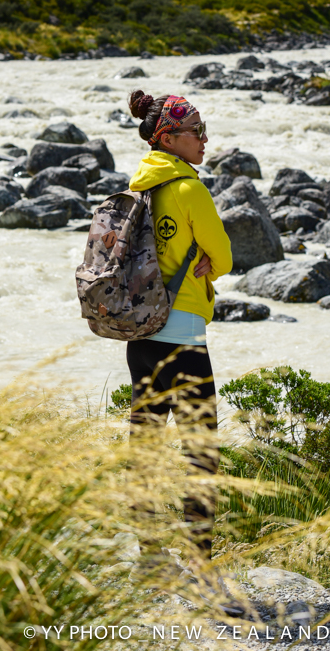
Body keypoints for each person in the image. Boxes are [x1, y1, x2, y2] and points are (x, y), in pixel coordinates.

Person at [126, 89, 233, 566]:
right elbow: (225, 257)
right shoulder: (190, 189)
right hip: (184, 335)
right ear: (169, 138)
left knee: (145, 446)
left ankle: (150, 555)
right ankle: (198, 561)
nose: (205, 141)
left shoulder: (138, 187)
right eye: (197, 133)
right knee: (201, 451)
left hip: (141, 333)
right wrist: (208, 258)